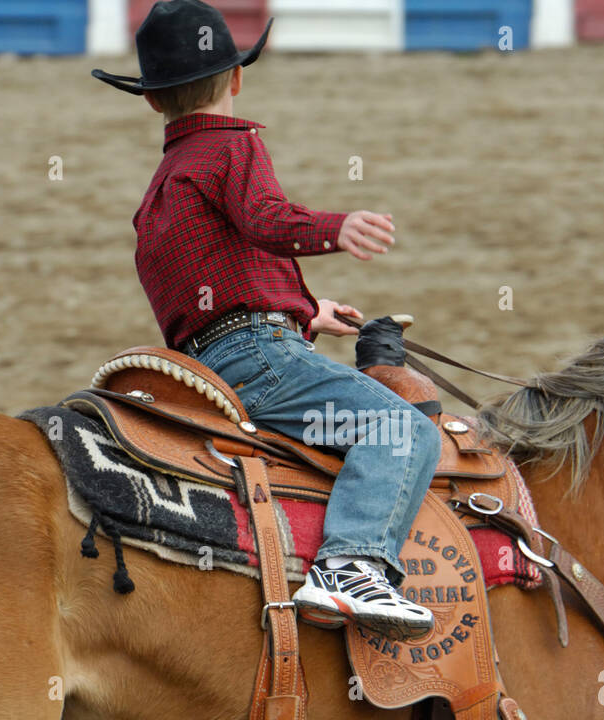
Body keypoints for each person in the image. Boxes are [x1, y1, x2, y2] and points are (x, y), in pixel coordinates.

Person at [92, 1, 439, 640]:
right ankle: (350, 564)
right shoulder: (235, 144)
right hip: (261, 355)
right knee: (400, 429)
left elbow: (216, 284)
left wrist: (308, 312)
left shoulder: (159, 191)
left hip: (211, 365)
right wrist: (337, 228)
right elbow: (267, 222)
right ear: (238, 79)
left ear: (151, 102)